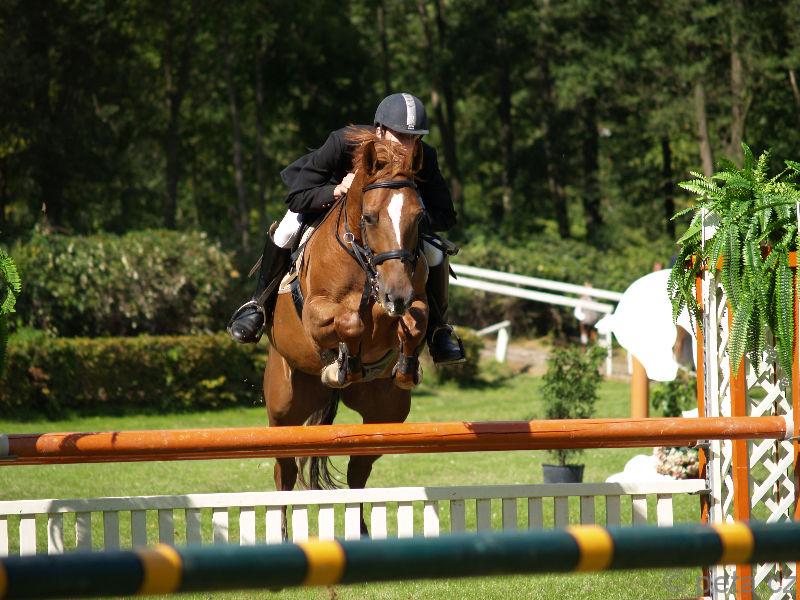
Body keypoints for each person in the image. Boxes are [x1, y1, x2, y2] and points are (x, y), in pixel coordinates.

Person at [227, 92, 466, 366]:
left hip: (391, 226)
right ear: (379, 130)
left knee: (435, 252)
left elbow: (445, 216)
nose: (407, 146)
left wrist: (406, 213)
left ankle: (438, 330)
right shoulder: (343, 142)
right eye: (400, 136)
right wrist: (336, 189)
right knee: (285, 230)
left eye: (414, 138)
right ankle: (257, 306)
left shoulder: (424, 157)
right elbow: (296, 197)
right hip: (326, 204)